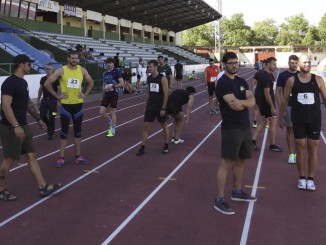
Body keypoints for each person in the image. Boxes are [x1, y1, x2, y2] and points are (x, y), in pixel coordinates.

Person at [0, 54, 62, 201]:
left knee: (32, 155)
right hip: (11, 127)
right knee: (9, 159)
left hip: (23, 125)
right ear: (22, 64)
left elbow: (27, 103)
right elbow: (5, 106)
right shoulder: (10, 82)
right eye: (28, 64)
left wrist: (39, 118)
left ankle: (43, 186)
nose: (30, 66)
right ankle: (1, 189)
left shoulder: (23, 82)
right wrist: (15, 126)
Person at [214, 51, 256, 215]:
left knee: (241, 161)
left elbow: (252, 101)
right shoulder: (223, 83)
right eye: (231, 63)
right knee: (227, 162)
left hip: (245, 126)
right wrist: (245, 102)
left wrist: (243, 102)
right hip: (231, 127)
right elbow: (235, 106)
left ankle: (237, 191)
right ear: (224, 64)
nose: (234, 65)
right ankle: (219, 199)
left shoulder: (241, 80)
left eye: (236, 62)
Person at [279, 54, 326, 191]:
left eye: (309, 62)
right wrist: (281, 116)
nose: (307, 64)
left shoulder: (318, 80)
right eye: (304, 62)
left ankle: (310, 179)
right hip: (298, 119)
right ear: (299, 64)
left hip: (314, 120)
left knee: (313, 148)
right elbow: (284, 99)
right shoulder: (291, 81)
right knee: (300, 148)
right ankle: (301, 177)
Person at [44, 50, 94, 168]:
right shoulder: (62, 70)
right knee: (64, 132)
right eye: (72, 58)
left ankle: (78, 156)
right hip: (66, 105)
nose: (74, 60)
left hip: (78, 105)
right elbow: (47, 83)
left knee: (77, 132)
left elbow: (91, 82)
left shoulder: (82, 70)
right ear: (68, 59)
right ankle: (61, 157)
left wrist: (85, 94)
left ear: (78, 59)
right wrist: (57, 96)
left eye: (76, 58)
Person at [136, 60, 169, 156]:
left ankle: (166, 145)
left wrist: (163, 108)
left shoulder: (162, 79)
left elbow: (166, 94)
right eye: (148, 67)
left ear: (155, 67)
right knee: (146, 126)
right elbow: (148, 93)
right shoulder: (149, 78)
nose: (149, 68)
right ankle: (142, 147)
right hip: (150, 106)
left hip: (160, 106)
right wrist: (146, 106)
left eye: (150, 67)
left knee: (164, 125)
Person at [251, 57, 283, 152]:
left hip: (263, 101)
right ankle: (272, 145)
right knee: (273, 121)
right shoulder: (266, 76)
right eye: (273, 64)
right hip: (266, 102)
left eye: (275, 64)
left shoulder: (264, 74)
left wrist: (255, 91)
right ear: (267, 64)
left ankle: (252, 140)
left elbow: (254, 80)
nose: (275, 66)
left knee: (265, 122)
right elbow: (266, 93)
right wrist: (272, 107)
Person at [276, 55, 299, 164]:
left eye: (296, 63)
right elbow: (278, 92)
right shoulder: (283, 75)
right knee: (290, 130)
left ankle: (298, 153)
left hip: (301, 107)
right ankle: (291, 154)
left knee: (299, 131)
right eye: (292, 62)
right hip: (288, 106)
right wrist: (281, 108)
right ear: (288, 63)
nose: (294, 65)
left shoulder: (301, 74)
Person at [99, 57, 125, 137]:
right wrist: (102, 95)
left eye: (110, 63)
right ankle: (110, 122)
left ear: (113, 64)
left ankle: (113, 129)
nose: (109, 64)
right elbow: (103, 85)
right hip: (106, 95)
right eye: (107, 63)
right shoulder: (105, 73)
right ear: (106, 64)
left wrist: (113, 87)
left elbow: (122, 83)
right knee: (101, 112)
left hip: (114, 94)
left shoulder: (117, 72)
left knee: (112, 111)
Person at [37, 64, 60, 140]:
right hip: (44, 100)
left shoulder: (56, 79)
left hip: (53, 100)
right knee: (42, 115)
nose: (47, 70)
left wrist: (59, 101)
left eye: (49, 69)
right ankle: (49, 126)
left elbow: (59, 90)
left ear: (53, 70)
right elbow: (40, 89)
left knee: (52, 116)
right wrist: (38, 99)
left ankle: (51, 133)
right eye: (46, 69)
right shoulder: (43, 78)